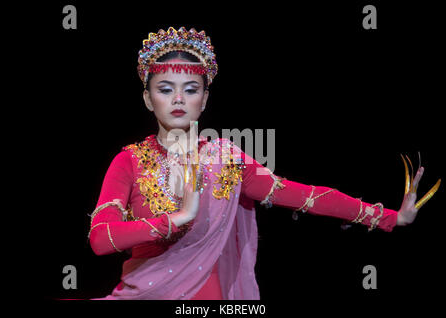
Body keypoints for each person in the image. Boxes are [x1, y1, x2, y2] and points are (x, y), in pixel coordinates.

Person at [88, 27, 440, 300]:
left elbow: (305, 196)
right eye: (165, 88)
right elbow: (101, 239)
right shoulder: (129, 160)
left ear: (205, 99)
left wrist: (393, 217)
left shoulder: (225, 160)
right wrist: (179, 218)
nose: (178, 98)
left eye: (191, 89)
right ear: (148, 99)